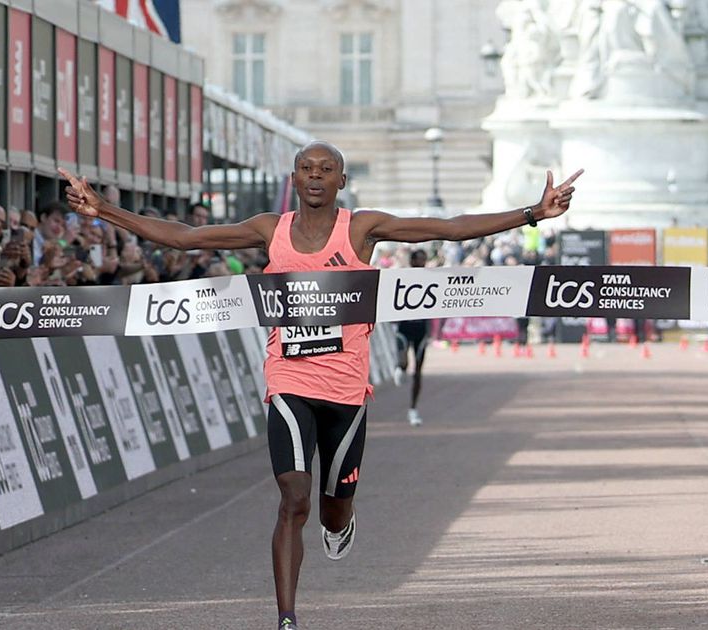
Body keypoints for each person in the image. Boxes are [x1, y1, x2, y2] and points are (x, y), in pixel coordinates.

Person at [59, 142, 581, 630]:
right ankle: (286, 618)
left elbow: (446, 228)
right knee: (293, 498)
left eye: (325, 169)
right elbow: (187, 237)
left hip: (347, 391)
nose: (315, 176)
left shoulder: (362, 229)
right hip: (288, 378)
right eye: (307, 168)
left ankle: (341, 522)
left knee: (332, 507)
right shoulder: (271, 229)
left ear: (342, 181)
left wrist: (532, 214)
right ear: (294, 178)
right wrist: (103, 209)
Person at [393, 248, 432, 427]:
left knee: (418, 372)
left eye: (424, 260)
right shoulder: (403, 277)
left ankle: (413, 409)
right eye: (419, 260)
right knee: (404, 363)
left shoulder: (431, 279)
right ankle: (399, 367)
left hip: (421, 330)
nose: (422, 263)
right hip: (405, 328)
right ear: (412, 261)